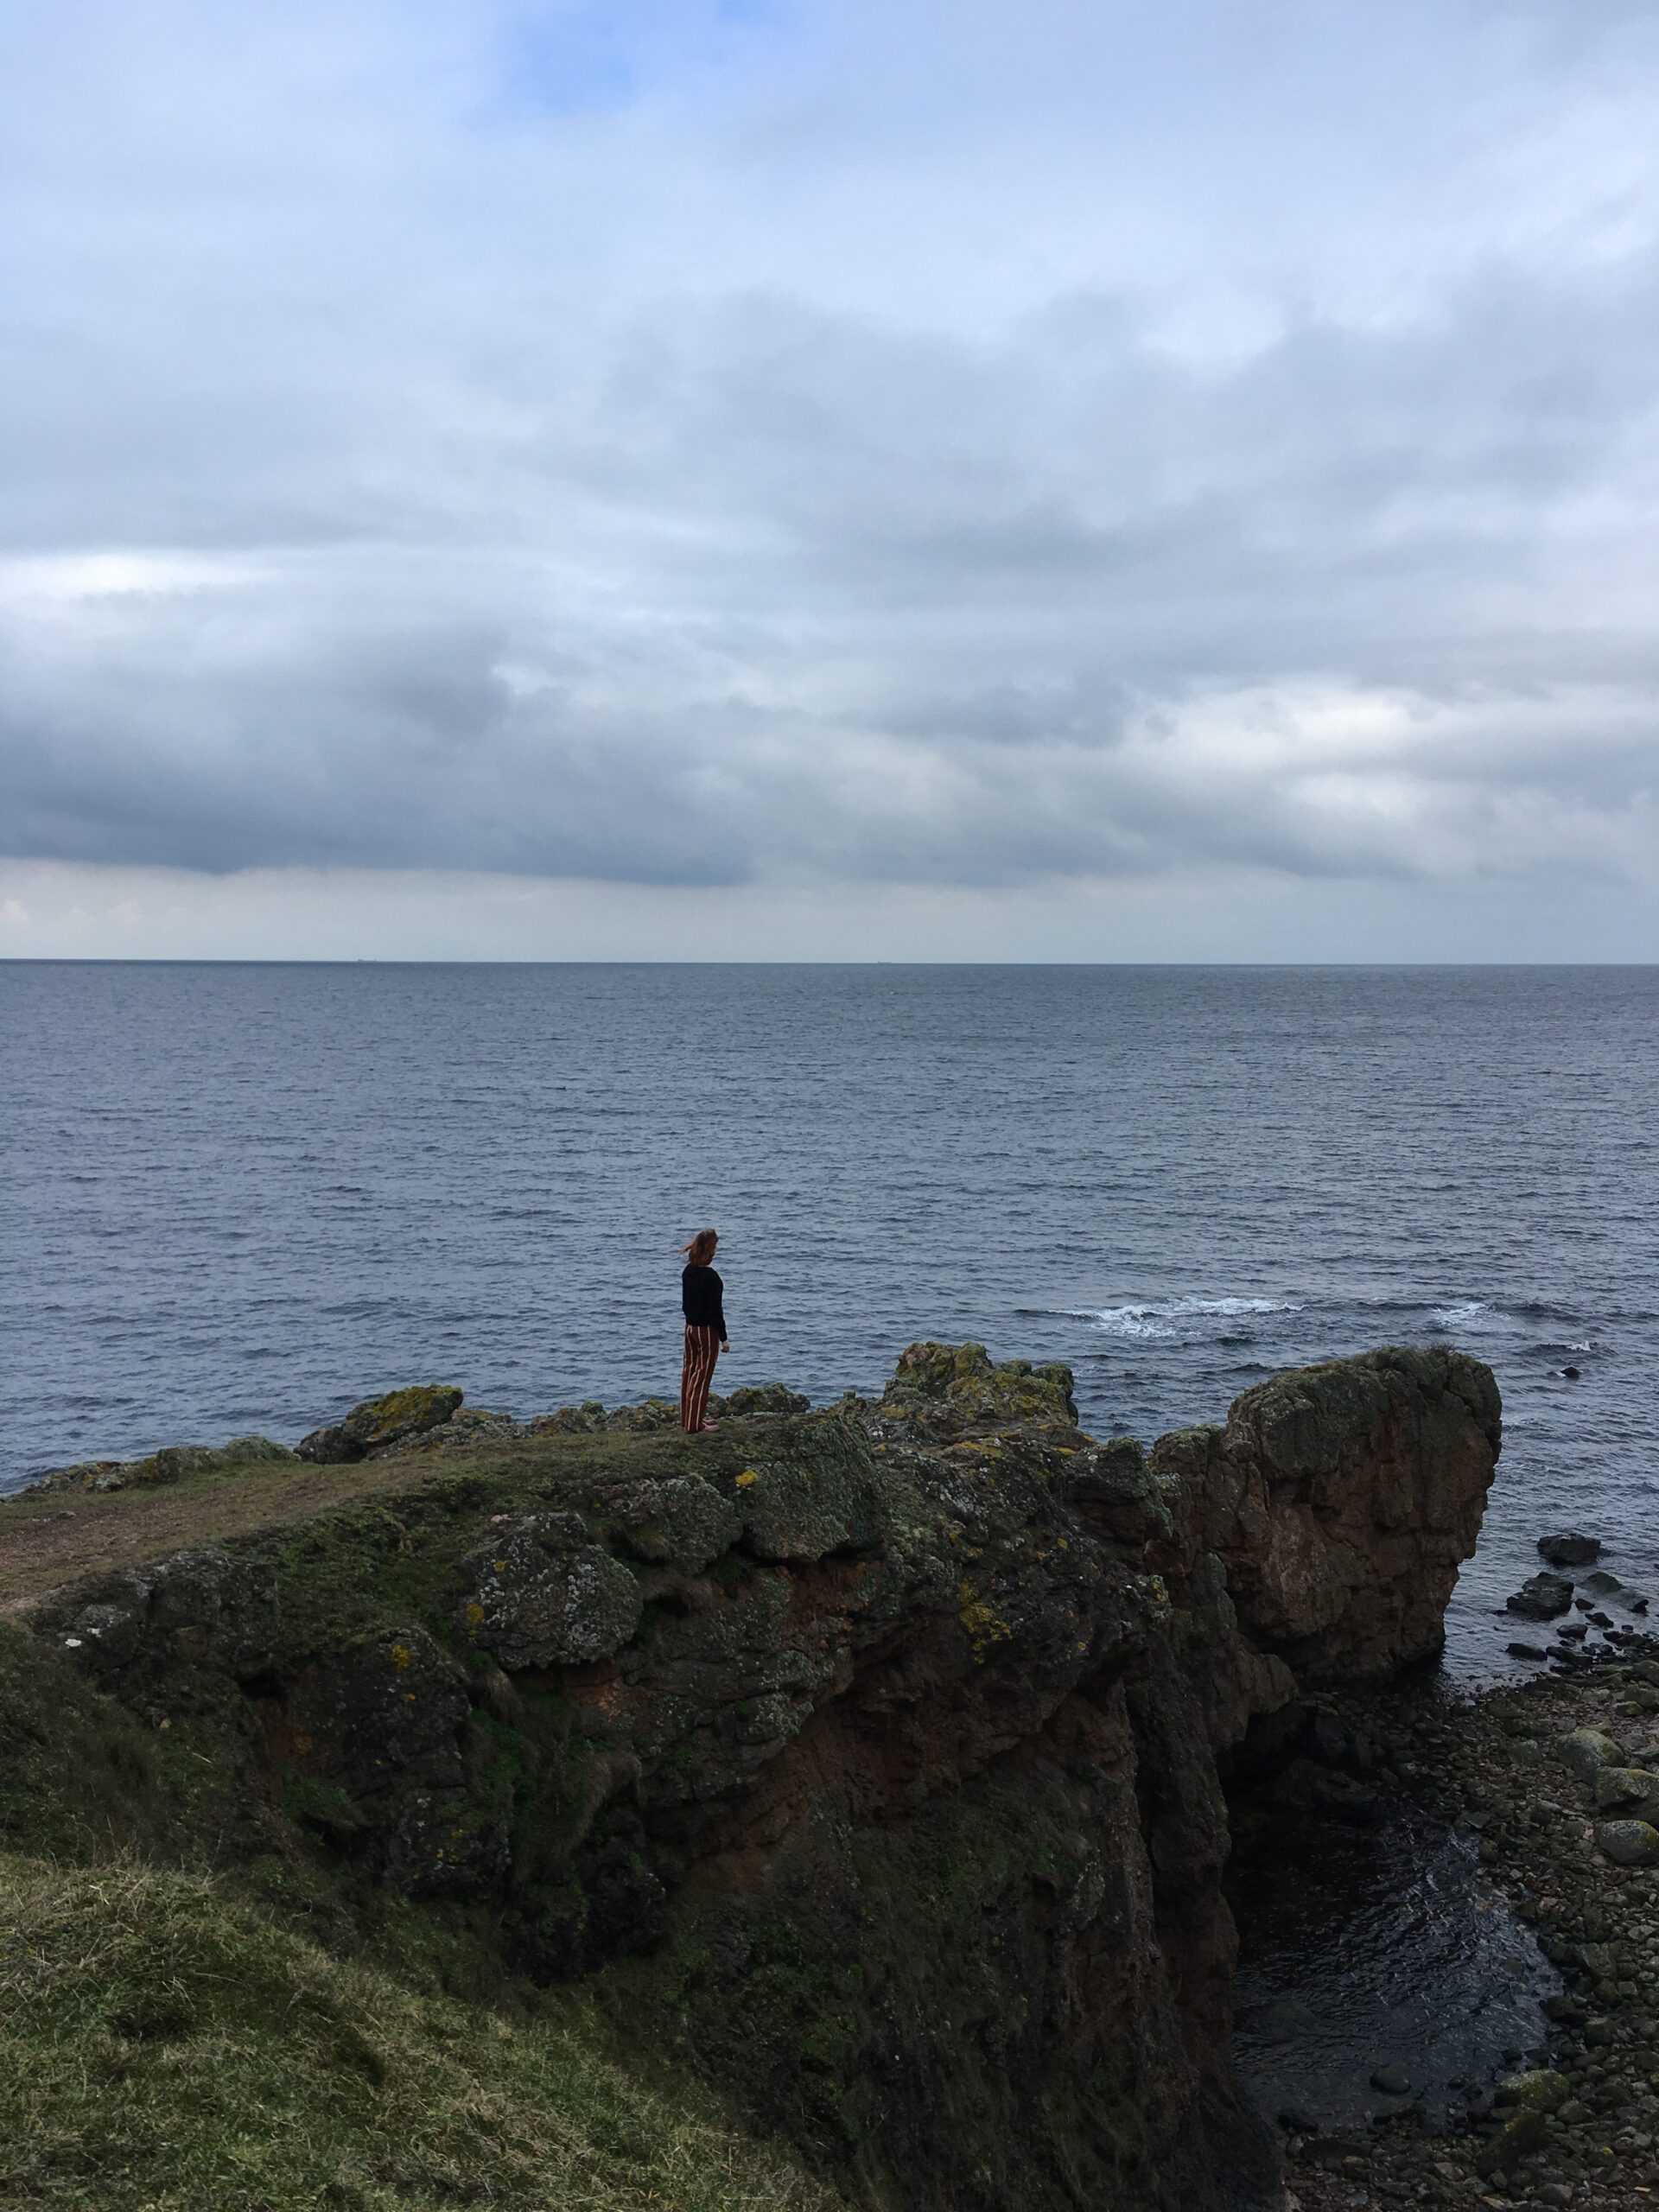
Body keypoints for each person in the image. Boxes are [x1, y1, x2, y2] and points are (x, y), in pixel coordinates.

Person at [679, 1228, 729, 1433]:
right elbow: (716, 1311)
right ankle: (694, 1424)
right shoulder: (711, 1277)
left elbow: (685, 1304)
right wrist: (724, 1339)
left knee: (689, 1372)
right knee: (702, 1376)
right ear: (709, 1250)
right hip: (706, 1331)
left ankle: (688, 1418)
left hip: (690, 1328)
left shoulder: (688, 1271)